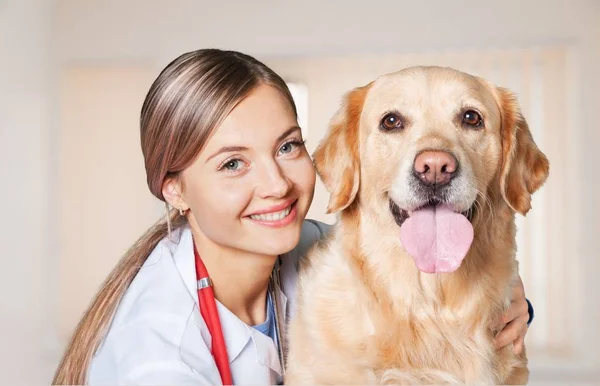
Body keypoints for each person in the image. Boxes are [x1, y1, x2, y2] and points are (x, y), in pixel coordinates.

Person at [52, 49, 534, 385]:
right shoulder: (157, 357)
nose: (277, 185)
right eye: (232, 164)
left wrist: (511, 302)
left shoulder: (316, 252)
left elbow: (412, 256)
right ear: (174, 188)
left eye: (287, 147)